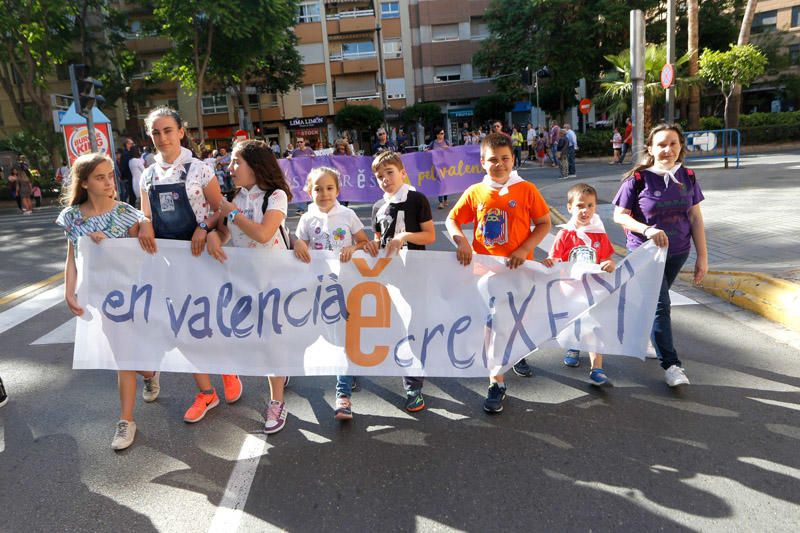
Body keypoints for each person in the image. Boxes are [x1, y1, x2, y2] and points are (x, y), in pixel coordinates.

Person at [136, 106, 241, 423]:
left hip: (202, 259)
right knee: (183, 329)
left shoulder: (200, 169)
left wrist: (204, 228)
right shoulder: (148, 174)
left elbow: (220, 209)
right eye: (155, 132)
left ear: (181, 132)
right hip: (168, 262)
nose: (161, 137)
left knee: (211, 322)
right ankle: (206, 392)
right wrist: (144, 224)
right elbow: (146, 214)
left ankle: (228, 369)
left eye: (167, 130)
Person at [446, 132, 551, 413]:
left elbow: (543, 223)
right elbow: (452, 219)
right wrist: (461, 241)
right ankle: (496, 382)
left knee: (517, 319)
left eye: (505, 159)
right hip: (487, 273)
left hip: (519, 270)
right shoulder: (476, 192)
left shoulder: (526, 189)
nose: (499, 164)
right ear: (482, 162)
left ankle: (516, 353)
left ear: (513, 159)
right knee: (492, 324)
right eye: (493, 160)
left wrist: (524, 248)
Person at [55, 153, 152, 450]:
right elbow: (72, 257)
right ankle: (150, 373)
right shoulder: (72, 216)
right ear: (84, 183)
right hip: (96, 296)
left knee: (123, 357)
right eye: (100, 177)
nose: (109, 182)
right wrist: (68, 289)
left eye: (111, 175)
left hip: (126, 296)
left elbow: (142, 255)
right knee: (123, 354)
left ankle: (126, 420)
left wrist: (136, 230)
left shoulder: (126, 213)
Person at [205, 140, 293, 434]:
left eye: (235, 162)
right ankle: (281, 372)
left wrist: (231, 213)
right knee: (259, 339)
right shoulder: (235, 198)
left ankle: (277, 402)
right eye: (230, 162)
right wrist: (215, 236)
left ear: (255, 166)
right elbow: (225, 232)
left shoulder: (276, 196)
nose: (229, 168)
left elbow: (265, 234)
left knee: (271, 341)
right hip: (246, 282)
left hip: (276, 280)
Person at [612, 123, 708, 387]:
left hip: (678, 253)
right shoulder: (638, 179)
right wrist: (647, 229)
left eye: (673, 144)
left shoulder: (688, 176)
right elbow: (619, 216)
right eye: (661, 145)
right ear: (651, 149)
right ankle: (672, 365)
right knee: (660, 305)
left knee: (653, 302)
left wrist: (703, 257)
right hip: (646, 255)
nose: (667, 149)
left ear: (680, 147)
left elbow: (695, 218)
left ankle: (641, 334)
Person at [292, 167, 378, 421]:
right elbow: (301, 244)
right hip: (320, 288)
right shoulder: (307, 218)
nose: (324, 193)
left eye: (329, 188)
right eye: (317, 188)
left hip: (347, 286)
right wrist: (298, 244)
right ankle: (348, 372)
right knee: (329, 335)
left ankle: (342, 396)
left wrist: (353, 247)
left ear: (338, 191)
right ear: (309, 191)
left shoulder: (348, 215)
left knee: (343, 337)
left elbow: (364, 241)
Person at [371, 151, 436, 411]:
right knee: (395, 329)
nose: (385, 179)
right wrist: (371, 247)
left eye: (390, 172)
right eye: (379, 176)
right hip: (389, 277)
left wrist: (405, 237)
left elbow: (429, 235)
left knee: (412, 330)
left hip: (414, 276)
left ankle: (413, 386)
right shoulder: (378, 207)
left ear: (402, 173)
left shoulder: (416, 199)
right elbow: (378, 239)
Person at [541, 183, 616, 385]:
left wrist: (609, 264)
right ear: (570, 207)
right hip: (570, 291)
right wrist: (550, 262)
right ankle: (573, 345)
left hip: (593, 291)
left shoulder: (599, 233)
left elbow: (607, 258)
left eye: (590, 206)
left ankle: (597, 369)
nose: (585, 211)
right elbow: (555, 259)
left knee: (594, 327)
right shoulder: (565, 234)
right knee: (574, 324)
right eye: (580, 205)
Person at [427, 127, 450, 209]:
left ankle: (445, 199)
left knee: (445, 184)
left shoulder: (446, 142)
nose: (441, 135)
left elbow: (453, 151)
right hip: (436, 166)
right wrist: (427, 151)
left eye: (442, 133)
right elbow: (428, 151)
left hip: (445, 166)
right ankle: (440, 202)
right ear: (436, 135)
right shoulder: (433, 143)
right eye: (439, 133)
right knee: (439, 184)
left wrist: (448, 148)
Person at [119, 138, 136, 204]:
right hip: (129, 176)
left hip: (132, 176)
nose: (133, 145)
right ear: (127, 144)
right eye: (132, 144)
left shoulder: (129, 153)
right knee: (131, 194)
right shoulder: (125, 154)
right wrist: (126, 177)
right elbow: (123, 167)